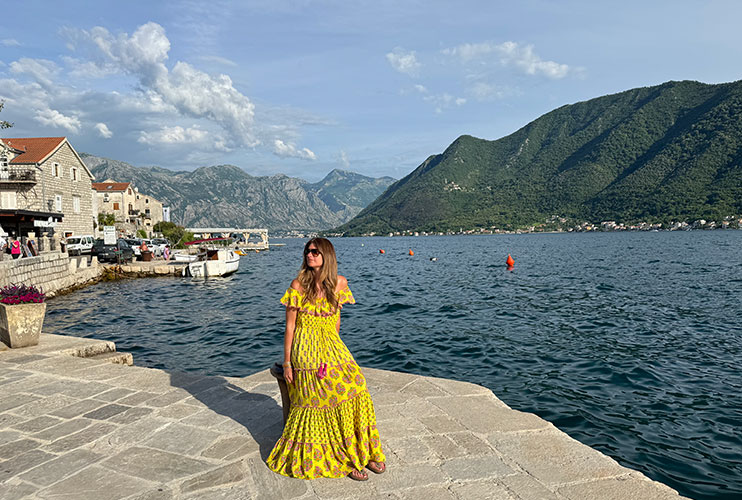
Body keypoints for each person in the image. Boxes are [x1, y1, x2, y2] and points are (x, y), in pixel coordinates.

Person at [267, 238, 386, 481]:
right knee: (323, 395)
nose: (310, 255)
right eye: (307, 251)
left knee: (358, 387)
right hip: (305, 346)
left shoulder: (340, 283)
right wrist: (288, 362)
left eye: (315, 251)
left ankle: (363, 450)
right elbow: (289, 328)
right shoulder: (298, 286)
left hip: (331, 344)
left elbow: (337, 322)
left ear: (327, 255)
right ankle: (344, 458)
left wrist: (334, 352)